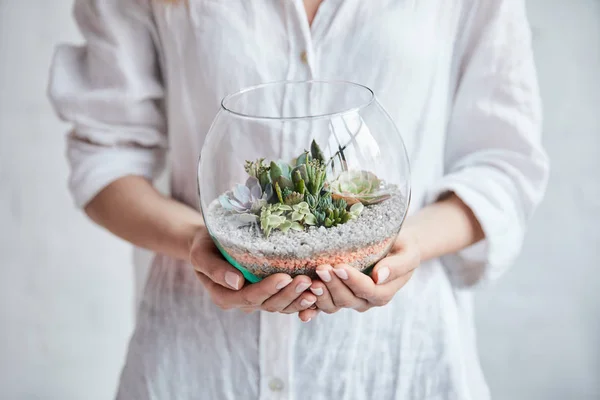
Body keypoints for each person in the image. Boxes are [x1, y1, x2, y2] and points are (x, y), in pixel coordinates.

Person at [48, 0, 549, 399]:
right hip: (197, 359)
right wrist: (198, 241)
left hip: (399, 362)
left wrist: (406, 243)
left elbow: (503, 162)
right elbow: (104, 157)